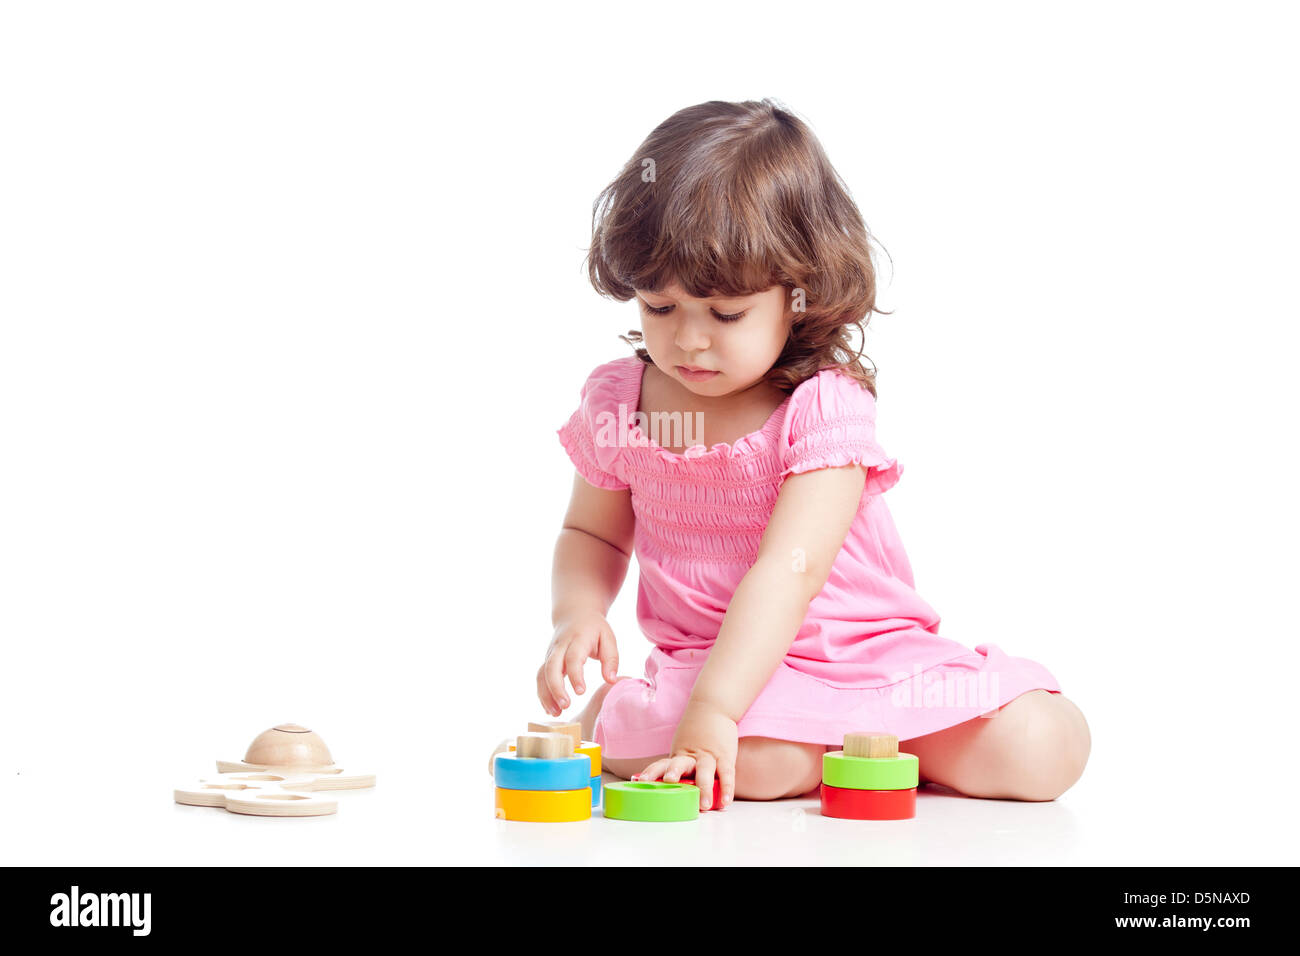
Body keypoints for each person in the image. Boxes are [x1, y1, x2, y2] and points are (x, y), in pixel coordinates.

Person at [543, 98, 1090, 811]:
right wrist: (576, 614)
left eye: (726, 313)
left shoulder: (823, 406)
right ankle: (752, 737)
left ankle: (855, 739)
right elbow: (589, 532)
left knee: (1044, 745)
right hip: (719, 663)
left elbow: (787, 574)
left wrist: (713, 715)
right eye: (660, 307)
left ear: (797, 294)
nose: (689, 341)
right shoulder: (622, 404)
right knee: (755, 764)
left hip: (867, 655)